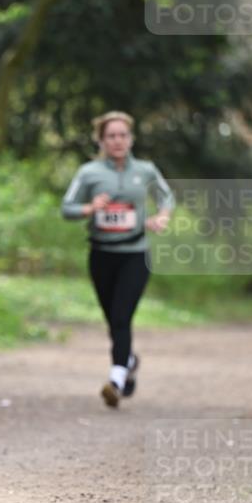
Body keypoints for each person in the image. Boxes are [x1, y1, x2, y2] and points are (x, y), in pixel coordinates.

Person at [61, 110, 173, 407]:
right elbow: (67, 208)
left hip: (135, 254)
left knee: (122, 317)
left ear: (131, 138)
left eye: (123, 135)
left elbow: (167, 196)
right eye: (111, 136)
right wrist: (90, 208)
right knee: (114, 320)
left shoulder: (146, 170)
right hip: (101, 255)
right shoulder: (89, 173)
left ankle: (116, 379)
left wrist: (162, 216)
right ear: (101, 140)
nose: (117, 140)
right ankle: (130, 360)